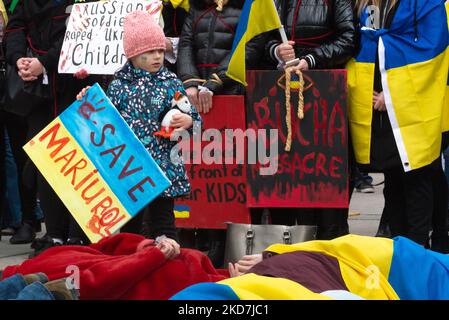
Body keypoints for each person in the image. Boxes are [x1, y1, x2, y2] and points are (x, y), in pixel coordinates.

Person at [77, 11, 201, 243]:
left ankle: (167, 267)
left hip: (162, 168)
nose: (157, 57)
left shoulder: (171, 83)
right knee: (130, 230)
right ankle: (131, 266)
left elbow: (194, 121)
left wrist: (188, 122)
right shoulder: (118, 85)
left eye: (160, 51)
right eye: (150, 52)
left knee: (164, 223)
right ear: (133, 55)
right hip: (129, 171)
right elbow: (102, 121)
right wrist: (88, 101)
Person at [348, 0, 449, 250]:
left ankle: (418, 249)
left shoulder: (425, 3)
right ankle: (399, 247)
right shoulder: (367, 4)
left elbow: (432, 50)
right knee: (392, 178)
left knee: (418, 176)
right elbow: (361, 44)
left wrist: (392, 95)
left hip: (412, 104)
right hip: (375, 104)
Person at [259, 0, 356, 240]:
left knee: (326, 179)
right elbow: (262, 38)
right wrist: (276, 51)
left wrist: (312, 59)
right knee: (289, 175)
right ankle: (289, 246)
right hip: (282, 94)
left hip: (325, 95)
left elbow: (349, 39)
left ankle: (330, 242)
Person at [4, 0, 94, 253]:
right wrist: (18, 59)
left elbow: (84, 33)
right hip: (38, 94)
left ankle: (79, 233)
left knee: (79, 161)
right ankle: (54, 233)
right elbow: (15, 29)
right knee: (47, 161)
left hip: (76, 88)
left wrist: (45, 62)